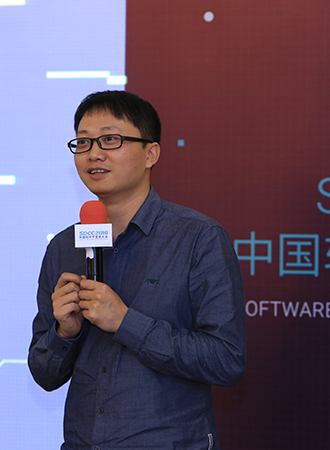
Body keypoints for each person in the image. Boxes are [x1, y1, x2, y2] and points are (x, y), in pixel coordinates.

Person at [28, 90, 246, 449]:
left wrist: (125, 322)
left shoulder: (198, 237)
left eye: (110, 140)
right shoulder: (64, 247)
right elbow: (44, 374)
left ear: (151, 153)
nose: (94, 153)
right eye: (83, 142)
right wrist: (65, 333)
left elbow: (226, 360)